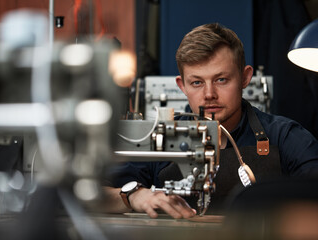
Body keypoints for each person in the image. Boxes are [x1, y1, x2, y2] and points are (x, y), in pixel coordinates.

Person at [104, 23, 318, 219]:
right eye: (197, 82)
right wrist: (132, 195)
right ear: (182, 86)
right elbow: (91, 196)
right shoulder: (158, 139)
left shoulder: (286, 137)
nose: (209, 94)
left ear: (245, 77)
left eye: (221, 80)